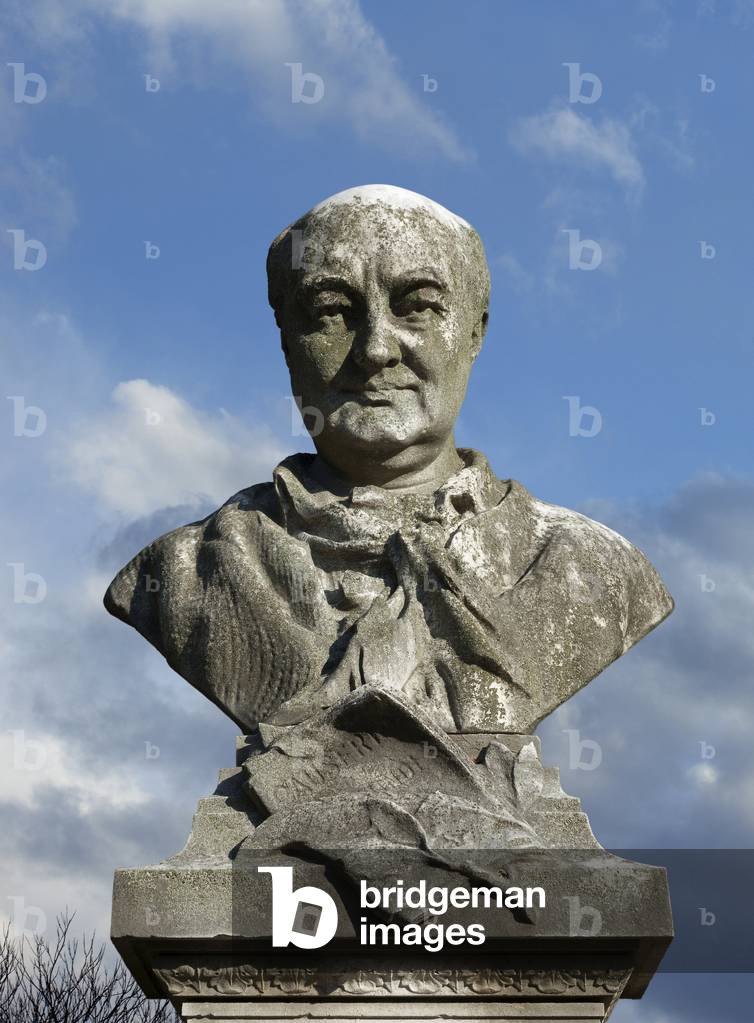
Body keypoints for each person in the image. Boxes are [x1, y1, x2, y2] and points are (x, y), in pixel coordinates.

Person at [105, 184, 673, 735]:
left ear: (475, 332)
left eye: (417, 308)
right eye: (332, 312)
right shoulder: (185, 572)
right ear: (286, 338)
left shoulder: (587, 567)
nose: (376, 348)